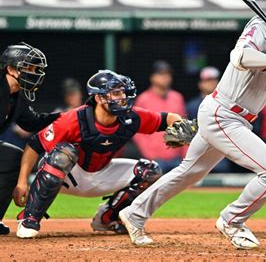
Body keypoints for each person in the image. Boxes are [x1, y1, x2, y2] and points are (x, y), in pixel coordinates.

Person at [119, 0, 266, 248]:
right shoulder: (262, 24)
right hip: (223, 113)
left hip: (237, 118)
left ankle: (134, 213)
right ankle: (232, 220)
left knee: (189, 172)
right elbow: (239, 56)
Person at [13, 70, 186, 239]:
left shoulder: (131, 117)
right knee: (64, 153)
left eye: (123, 92)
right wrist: (22, 182)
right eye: (116, 93)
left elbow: (168, 118)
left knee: (150, 171)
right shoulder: (72, 119)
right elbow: (35, 145)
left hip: (102, 173)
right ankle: (29, 218)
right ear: (99, 97)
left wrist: (180, 128)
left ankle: (106, 219)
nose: (122, 97)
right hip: (70, 175)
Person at [0, 43, 59, 235]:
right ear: (10, 69)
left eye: (36, 69)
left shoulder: (17, 96)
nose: (34, 73)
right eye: (29, 68)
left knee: (13, 157)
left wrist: (64, 117)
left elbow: (32, 123)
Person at [133, 61, 187, 173]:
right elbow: (136, 130)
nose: (165, 77)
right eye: (161, 74)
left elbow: (183, 127)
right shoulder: (143, 99)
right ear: (152, 77)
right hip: (154, 158)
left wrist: (185, 154)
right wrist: (148, 153)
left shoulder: (177, 97)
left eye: (168, 74)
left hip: (176, 157)